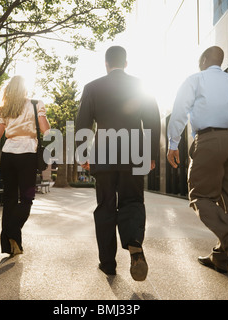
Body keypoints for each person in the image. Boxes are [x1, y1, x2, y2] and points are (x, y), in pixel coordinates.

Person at [166, 46, 228, 286]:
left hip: (210, 140)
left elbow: (179, 111)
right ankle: (224, 260)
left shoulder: (195, 80)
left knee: (200, 196)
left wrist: (173, 143)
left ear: (206, 59)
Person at [75, 46, 161, 281]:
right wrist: (151, 154)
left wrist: (82, 154)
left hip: (103, 154)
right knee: (132, 200)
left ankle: (107, 264)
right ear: (125, 63)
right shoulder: (140, 86)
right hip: (133, 153)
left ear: (106, 64)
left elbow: (82, 122)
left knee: (105, 206)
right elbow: (153, 121)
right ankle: (134, 242)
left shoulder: (92, 87)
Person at [0, 75, 50, 256]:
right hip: (28, 157)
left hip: (8, 157)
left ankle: (10, 246)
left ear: (8, 90)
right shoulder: (36, 104)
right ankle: (13, 230)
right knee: (27, 198)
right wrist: (42, 115)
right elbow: (46, 130)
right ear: (25, 89)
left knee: (9, 201)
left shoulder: (3, 109)